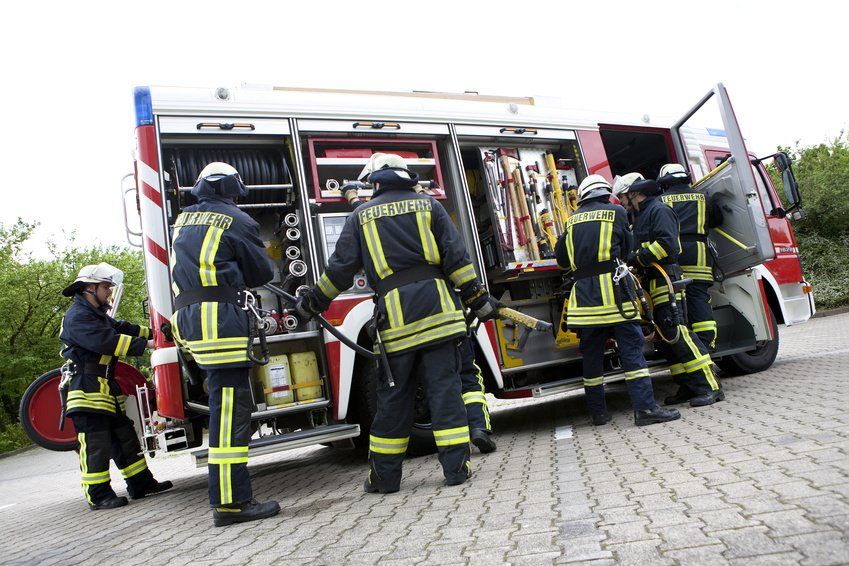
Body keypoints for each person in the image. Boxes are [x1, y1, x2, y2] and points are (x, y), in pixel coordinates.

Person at [296, 153, 502, 493]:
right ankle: (457, 469)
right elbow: (457, 259)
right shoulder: (429, 206)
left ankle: (384, 479)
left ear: (374, 183)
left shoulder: (360, 216)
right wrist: (478, 299)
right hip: (440, 316)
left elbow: (340, 270)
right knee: (445, 394)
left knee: (393, 402)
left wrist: (312, 303)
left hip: (396, 325)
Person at [169, 162, 280, 526]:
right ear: (234, 190)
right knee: (231, 412)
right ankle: (232, 504)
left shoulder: (182, 222)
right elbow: (263, 273)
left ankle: (229, 500)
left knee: (223, 409)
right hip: (221, 321)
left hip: (191, 322)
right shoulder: (238, 220)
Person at [554, 175, 680, 427]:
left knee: (591, 359)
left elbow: (562, 262)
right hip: (616, 297)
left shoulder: (570, 221)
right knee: (632, 352)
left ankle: (598, 414)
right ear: (604, 193)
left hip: (584, 303)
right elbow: (627, 251)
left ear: (582, 197)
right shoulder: (617, 212)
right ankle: (645, 410)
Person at [59, 262, 173, 510]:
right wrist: (149, 346)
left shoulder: (94, 315)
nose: (109, 292)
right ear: (90, 288)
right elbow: (106, 341)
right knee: (96, 445)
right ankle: (98, 496)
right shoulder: (77, 317)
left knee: (125, 438)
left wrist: (155, 332)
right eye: (106, 287)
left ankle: (141, 483)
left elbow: (120, 328)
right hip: (86, 390)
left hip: (103, 390)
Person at [616, 176, 725, 407]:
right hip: (652, 281)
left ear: (634, 194)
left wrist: (637, 257)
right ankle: (687, 385)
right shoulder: (641, 215)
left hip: (666, 279)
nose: (622, 202)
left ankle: (709, 386)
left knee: (678, 333)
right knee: (667, 339)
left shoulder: (659, 210)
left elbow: (668, 244)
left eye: (623, 197)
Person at [657, 163, 723, 351]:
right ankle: (707, 345)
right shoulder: (703, 198)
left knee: (675, 302)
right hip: (699, 256)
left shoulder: (660, 201)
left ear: (665, 182)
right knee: (699, 299)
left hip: (673, 257)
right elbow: (718, 220)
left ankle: (687, 347)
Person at [459, 335, 496, 453]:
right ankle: (478, 428)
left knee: (442, 387)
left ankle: (456, 443)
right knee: (470, 380)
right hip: (455, 334)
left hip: (422, 344)